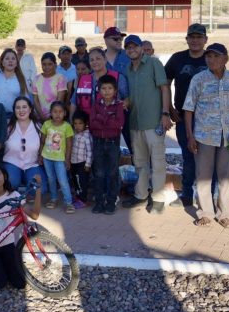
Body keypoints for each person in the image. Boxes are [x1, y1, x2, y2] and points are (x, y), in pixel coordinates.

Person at [183, 43, 229, 229]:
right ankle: (205, 213)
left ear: (225, 59)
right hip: (204, 135)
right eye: (209, 57)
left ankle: (224, 214)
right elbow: (188, 109)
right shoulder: (199, 79)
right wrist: (190, 137)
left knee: (226, 176)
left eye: (216, 56)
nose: (211, 60)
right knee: (203, 176)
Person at [122, 35, 173, 215]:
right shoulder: (127, 69)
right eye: (128, 47)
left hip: (154, 122)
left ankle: (158, 198)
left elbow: (164, 88)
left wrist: (165, 114)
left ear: (142, 48)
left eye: (134, 46)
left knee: (158, 161)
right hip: (135, 122)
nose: (131, 50)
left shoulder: (153, 64)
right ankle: (141, 194)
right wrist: (126, 102)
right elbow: (129, 94)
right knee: (140, 162)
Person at [165, 23, 209, 208]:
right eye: (192, 37)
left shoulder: (212, 57)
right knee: (188, 156)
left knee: (207, 158)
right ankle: (187, 194)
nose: (195, 41)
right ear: (187, 39)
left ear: (205, 40)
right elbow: (165, 84)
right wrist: (169, 109)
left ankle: (207, 197)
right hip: (183, 117)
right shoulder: (177, 59)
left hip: (207, 118)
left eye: (199, 37)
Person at [89, 75, 125, 215]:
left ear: (115, 90)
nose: (107, 91)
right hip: (98, 142)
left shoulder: (119, 105)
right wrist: (108, 119)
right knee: (98, 173)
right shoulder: (96, 105)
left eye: (110, 88)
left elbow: (118, 124)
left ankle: (111, 202)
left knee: (112, 173)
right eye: (103, 88)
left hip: (112, 143)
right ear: (99, 90)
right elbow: (92, 123)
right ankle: (99, 202)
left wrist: (101, 119)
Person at [3, 97, 47, 194]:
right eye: (18, 108)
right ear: (14, 110)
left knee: (40, 190)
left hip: (32, 164)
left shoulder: (39, 127)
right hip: (12, 163)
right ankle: (19, 184)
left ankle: (23, 187)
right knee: (11, 183)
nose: (21, 110)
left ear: (30, 109)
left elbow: (45, 145)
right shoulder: (8, 127)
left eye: (24, 107)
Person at [40, 101, 75, 214]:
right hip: (47, 157)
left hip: (60, 159)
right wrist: (40, 155)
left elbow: (69, 144)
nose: (57, 114)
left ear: (65, 113)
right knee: (51, 179)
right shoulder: (46, 124)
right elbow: (42, 141)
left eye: (60, 112)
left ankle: (68, 202)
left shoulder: (67, 126)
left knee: (62, 180)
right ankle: (54, 199)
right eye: (55, 112)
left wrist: (68, 159)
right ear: (50, 113)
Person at [73, 47, 129, 118]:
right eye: (92, 60)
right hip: (86, 124)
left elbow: (127, 98)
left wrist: (123, 105)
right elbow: (73, 103)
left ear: (105, 60)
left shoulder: (118, 77)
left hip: (111, 123)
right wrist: (72, 121)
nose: (95, 62)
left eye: (98, 58)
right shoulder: (83, 79)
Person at [0, 48, 30, 116]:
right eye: (7, 59)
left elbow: (26, 99)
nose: (10, 61)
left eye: (13, 59)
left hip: (14, 116)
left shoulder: (22, 79)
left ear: (17, 63)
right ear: (2, 62)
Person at [31, 52, 67, 122]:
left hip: (55, 117)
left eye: (50, 64)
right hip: (39, 117)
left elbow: (59, 101)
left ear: (55, 65)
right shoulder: (36, 79)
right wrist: (42, 117)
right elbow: (35, 101)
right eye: (44, 64)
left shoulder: (60, 78)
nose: (47, 67)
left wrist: (51, 117)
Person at [69, 110, 92, 206]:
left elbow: (90, 151)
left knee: (82, 181)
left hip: (82, 164)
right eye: (75, 123)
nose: (77, 126)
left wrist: (88, 164)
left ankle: (84, 200)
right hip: (73, 162)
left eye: (80, 123)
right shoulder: (73, 133)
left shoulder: (87, 136)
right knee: (75, 180)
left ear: (85, 124)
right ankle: (78, 196)